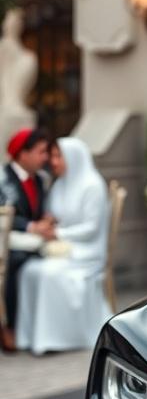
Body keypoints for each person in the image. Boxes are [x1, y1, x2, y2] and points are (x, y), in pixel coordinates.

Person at [15, 137, 111, 355]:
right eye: (53, 156)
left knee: (49, 274)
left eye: (59, 156)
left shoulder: (92, 185)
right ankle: (32, 337)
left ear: (73, 157)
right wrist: (50, 223)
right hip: (63, 248)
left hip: (86, 252)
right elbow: (54, 216)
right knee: (29, 270)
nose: (53, 161)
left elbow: (91, 229)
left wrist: (57, 233)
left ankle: (57, 339)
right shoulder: (59, 185)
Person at [1, 128, 52, 351]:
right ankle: (9, 326)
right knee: (14, 261)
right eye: (41, 152)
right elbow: (4, 212)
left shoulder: (40, 180)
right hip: (6, 242)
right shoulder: (3, 179)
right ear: (23, 154)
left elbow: (38, 212)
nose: (45, 158)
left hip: (30, 241)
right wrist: (32, 226)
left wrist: (46, 221)